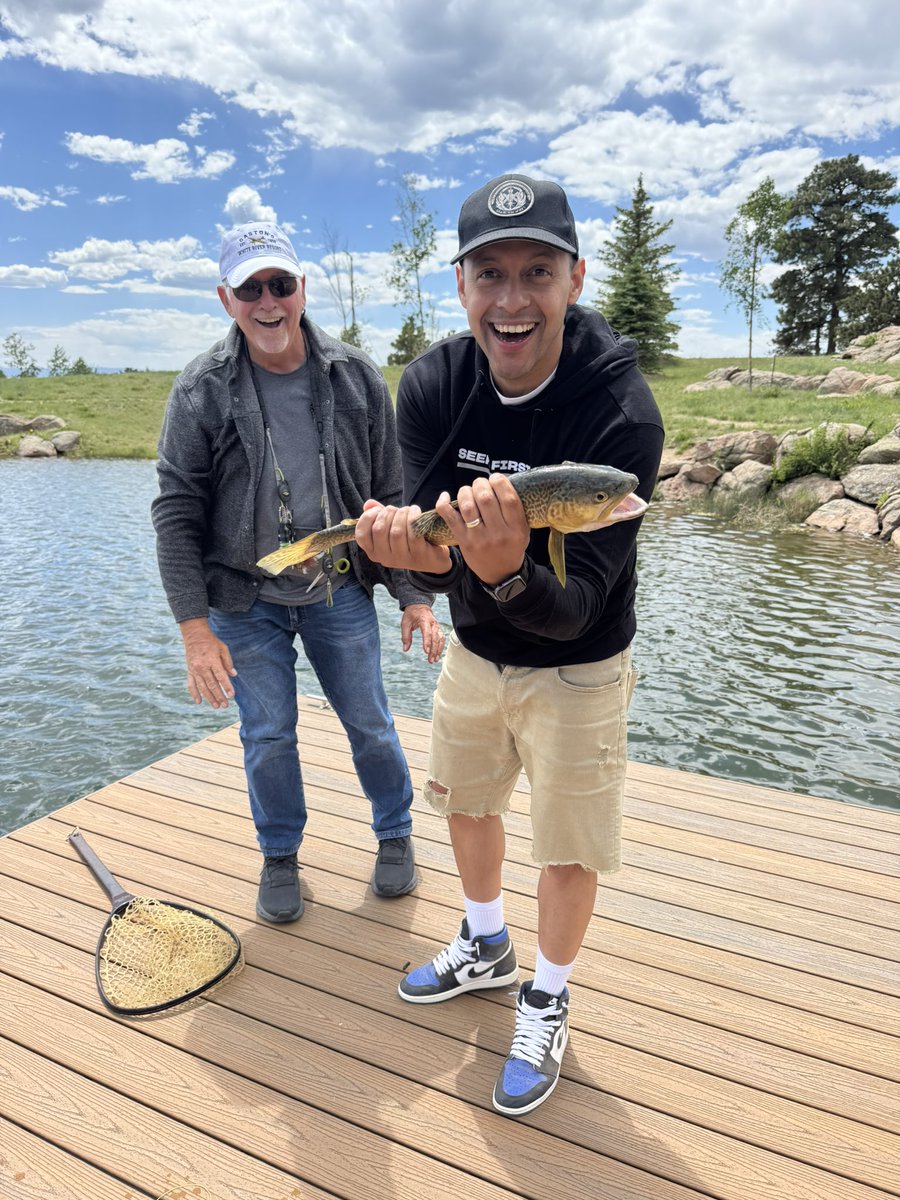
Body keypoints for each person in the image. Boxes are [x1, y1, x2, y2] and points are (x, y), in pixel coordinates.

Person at [355, 175, 664, 1116]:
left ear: (575, 278)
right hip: (473, 649)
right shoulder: (433, 384)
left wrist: (501, 570)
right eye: (489, 273)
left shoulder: (622, 416)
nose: (512, 298)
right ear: (461, 286)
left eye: (537, 271)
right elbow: (432, 550)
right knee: (465, 800)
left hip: (581, 659)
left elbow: (577, 605)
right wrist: (407, 566)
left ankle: (549, 994)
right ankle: (485, 943)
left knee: (568, 842)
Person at [152, 221, 443, 923]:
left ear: (302, 289)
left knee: (370, 721)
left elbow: (393, 494)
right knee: (267, 734)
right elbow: (176, 511)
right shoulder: (200, 390)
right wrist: (195, 632)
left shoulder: (356, 376)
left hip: (339, 586)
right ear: (227, 300)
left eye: (280, 284)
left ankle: (395, 833)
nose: (268, 301)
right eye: (250, 288)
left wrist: (413, 596)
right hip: (243, 597)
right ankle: (280, 854)